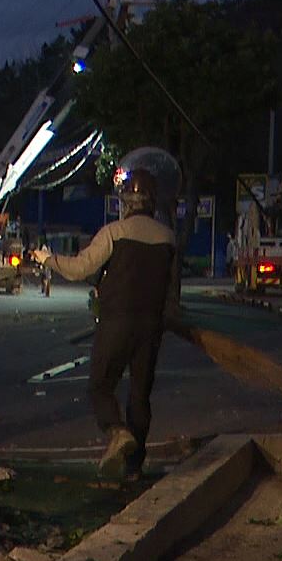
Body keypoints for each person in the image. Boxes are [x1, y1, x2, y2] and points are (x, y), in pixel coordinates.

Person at [33, 165, 177, 478]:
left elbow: (80, 269)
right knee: (140, 395)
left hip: (117, 321)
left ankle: (116, 431)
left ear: (126, 201)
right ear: (153, 201)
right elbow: (171, 291)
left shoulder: (114, 232)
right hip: (151, 327)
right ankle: (134, 466)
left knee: (100, 386)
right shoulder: (168, 238)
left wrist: (48, 259)